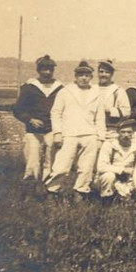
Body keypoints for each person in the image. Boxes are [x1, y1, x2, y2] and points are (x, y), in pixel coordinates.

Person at [44, 60, 106, 197]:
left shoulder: (96, 94)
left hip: (90, 134)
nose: (84, 78)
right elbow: (56, 113)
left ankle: (81, 192)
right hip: (69, 133)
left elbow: (100, 118)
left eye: (87, 75)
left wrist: (100, 138)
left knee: (86, 167)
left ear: (91, 77)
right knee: (62, 166)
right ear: (76, 76)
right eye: (80, 75)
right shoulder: (65, 91)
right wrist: (58, 133)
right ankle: (52, 190)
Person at [13, 54, 63, 181]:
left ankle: (48, 181)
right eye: (44, 69)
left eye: (50, 69)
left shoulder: (60, 88)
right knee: (33, 154)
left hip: (52, 128)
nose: (47, 72)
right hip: (33, 129)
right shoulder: (29, 87)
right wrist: (30, 120)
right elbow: (18, 109)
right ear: (38, 70)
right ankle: (31, 180)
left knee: (51, 154)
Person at [94, 118, 136, 201]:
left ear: (133, 133)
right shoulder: (109, 145)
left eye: (129, 132)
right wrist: (122, 170)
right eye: (123, 132)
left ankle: (126, 197)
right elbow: (101, 167)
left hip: (128, 178)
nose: (126, 135)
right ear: (118, 132)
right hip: (110, 177)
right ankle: (106, 200)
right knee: (109, 176)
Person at [97, 59, 131, 141]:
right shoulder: (92, 89)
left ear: (111, 74)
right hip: (95, 131)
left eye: (107, 72)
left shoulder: (118, 90)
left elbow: (127, 111)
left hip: (112, 132)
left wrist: (110, 110)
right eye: (101, 72)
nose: (103, 75)